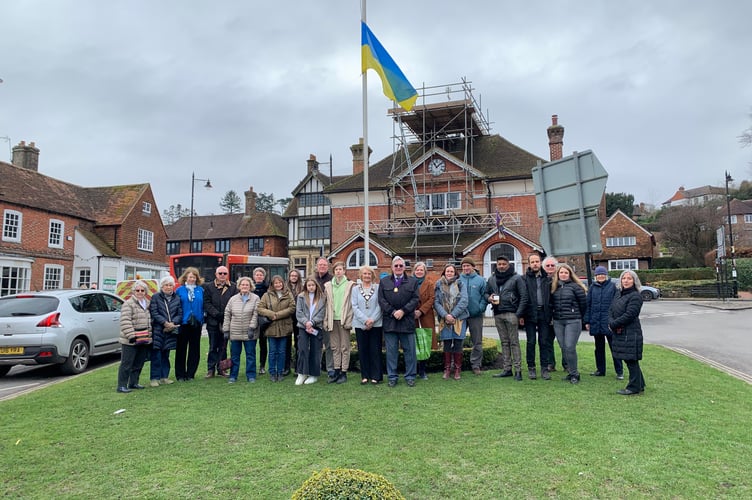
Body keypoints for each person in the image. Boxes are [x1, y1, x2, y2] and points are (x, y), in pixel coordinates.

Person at [377, 256, 420, 387]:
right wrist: (392, 311)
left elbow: (415, 299)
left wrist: (403, 311)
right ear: (392, 268)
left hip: (406, 321)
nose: (398, 268)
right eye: (396, 266)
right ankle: (392, 377)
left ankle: (410, 376)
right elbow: (381, 300)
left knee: (410, 351)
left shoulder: (412, 282)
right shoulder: (384, 282)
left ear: (404, 267)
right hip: (390, 321)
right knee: (391, 352)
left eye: (401, 266)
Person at [485, 255, 528, 381]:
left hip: (511, 313)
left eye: (504, 264)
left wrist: (518, 314)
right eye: (499, 264)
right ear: (496, 265)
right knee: (504, 342)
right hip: (498, 313)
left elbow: (524, 297)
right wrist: (489, 298)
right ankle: (507, 369)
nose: (501, 266)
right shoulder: (492, 279)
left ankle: (518, 370)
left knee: (514, 342)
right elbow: (486, 293)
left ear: (508, 265)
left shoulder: (516, 278)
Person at [609, 270, 645, 395]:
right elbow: (611, 309)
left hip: (631, 332)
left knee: (631, 359)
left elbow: (630, 315)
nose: (626, 280)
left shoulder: (635, 296)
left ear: (634, 281)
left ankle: (633, 387)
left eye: (629, 278)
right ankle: (640, 384)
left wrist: (613, 324)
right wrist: (611, 322)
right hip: (619, 331)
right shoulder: (619, 294)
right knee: (628, 359)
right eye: (624, 278)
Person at [550, 263, 588, 384]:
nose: (563, 274)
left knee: (570, 347)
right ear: (558, 274)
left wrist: (580, 318)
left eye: (566, 272)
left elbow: (583, 305)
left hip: (573, 320)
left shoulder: (576, 287)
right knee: (564, 347)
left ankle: (575, 374)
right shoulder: (554, 287)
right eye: (561, 272)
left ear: (570, 274)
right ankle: (571, 371)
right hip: (558, 321)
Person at [584, 266, 623, 380]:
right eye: (598, 274)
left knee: (614, 347)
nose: (600, 276)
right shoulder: (592, 287)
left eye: (602, 274)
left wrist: (615, 321)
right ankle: (600, 370)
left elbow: (617, 305)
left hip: (609, 323)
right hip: (596, 322)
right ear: (595, 276)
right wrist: (587, 321)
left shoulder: (613, 287)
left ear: (606, 275)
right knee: (599, 348)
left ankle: (619, 371)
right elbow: (588, 305)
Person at [520, 251, 553, 380]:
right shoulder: (523, 279)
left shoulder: (547, 279)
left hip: (544, 314)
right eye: (532, 262)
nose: (535, 264)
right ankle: (531, 368)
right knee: (531, 342)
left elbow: (552, 298)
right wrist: (521, 315)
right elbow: (521, 297)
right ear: (529, 264)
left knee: (544, 342)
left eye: (537, 262)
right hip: (529, 315)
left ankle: (545, 368)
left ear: (540, 263)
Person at [257, 275, 296, 382]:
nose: (278, 285)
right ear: (272, 285)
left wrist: (277, 315)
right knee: (272, 351)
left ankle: (280, 372)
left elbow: (292, 308)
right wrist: (271, 314)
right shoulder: (266, 295)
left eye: (280, 283)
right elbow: (260, 308)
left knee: (282, 351)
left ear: (283, 283)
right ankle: (272, 372)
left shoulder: (288, 294)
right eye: (276, 283)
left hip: (284, 326)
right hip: (271, 327)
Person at [434, 264, 469, 380]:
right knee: (447, 344)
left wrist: (453, 315)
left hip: (459, 318)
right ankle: (447, 368)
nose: (449, 273)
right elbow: (436, 302)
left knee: (458, 343)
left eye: (451, 271)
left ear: (455, 273)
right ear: (444, 273)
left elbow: (464, 300)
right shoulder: (438, 284)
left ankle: (458, 369)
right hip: (445, 319)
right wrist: (445, 315)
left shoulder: (460, 284)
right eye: (447, 271)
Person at [222, 276, 260, 383]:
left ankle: (251, 375)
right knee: (235, 356)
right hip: (235, 332)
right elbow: (227, 314)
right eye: (242, 284)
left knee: (250, 355)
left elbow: (256, 314)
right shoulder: (233, 299)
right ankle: (233, 376)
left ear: (250, 286)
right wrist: (226, 329)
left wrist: (252, 327)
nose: (244, 286)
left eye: (247, 285)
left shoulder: (256, 298)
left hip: (250, 333)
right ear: (239, 286)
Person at [116, 280, 152, 393]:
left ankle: (133, 382)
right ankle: (121, 385)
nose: (140, 292)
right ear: (133, 291)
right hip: (130, 340)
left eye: (142, 290)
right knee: (127, 363)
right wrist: (131, 335)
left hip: (144, 338)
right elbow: (125, 321)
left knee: (139, 362)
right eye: (138, 290)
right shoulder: (128, 304)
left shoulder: (147, 303)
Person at [323, 261, 354, 384]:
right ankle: (336, 371)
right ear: (334, 272)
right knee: (334, 347)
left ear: (344, 271)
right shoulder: (328, 286)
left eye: (340, 269)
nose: (338, 271)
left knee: (344, 347)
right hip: (332, 319)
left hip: (344, 319)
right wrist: (326, 320)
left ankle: (343, 372)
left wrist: (349, 319)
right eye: (336, 270)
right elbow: (325, 305)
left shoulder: (350, 285)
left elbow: (352, 305)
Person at [351, 265, 383, 384]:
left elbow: (380, 305)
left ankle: (376, 376)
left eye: (369, 274)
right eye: (364, 274)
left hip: (376, 324)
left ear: (372, 276)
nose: (367, 276)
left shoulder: (378, 288)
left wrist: (372, 320)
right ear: (361, 275)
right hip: (360, 324)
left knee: (375, 350)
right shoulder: (355, 289)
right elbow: (354, 306)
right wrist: (365, 320)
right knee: (363, 350)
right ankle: (365, 375)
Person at [203, 266, 237, 378]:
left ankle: (222, 369)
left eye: (225, 273)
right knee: (213, 346)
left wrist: (226, 315)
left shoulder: (233, 287)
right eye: (220, 273)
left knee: (223, 347)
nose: (222, 275)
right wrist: (216, 314)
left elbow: (235, 302)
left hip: (227, 321)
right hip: (213, 321)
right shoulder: (208, 287)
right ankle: (210, 369)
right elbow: (206, 303)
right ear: (216, 274)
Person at [148, 276, 182, 387]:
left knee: (165, 355)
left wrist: (172, 323)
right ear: (162, 286)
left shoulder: (177, 298)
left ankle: (164, 377)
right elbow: (154, 312)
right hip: (159, 330)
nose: (168, 287)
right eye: (166, 285)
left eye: (170, 285)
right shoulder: (156, 297)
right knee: (156, 355)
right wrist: (165, 323)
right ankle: (154, 378)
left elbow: (179, 313)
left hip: (170, 330)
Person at [459, 256, 487, 375]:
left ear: (473, 267)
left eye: (468, 266)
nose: (466, 268)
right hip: (460, 315)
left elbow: (485, 296)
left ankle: (476, 364)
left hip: (476, 315)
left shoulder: (480, 280)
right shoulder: (458, 279)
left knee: (477, 341)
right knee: (458, 340)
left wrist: (480, 308)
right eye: (464, 266)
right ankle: (457, 364)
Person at [295, 277, 327, 385]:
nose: (311, 287)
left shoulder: (322, 297)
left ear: (316, 286)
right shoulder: (301, 297)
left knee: (315, 350)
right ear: (306, 286)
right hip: (303, 326)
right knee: (302, 349)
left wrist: (312, 322)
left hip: (316, 327)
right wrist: (306, 323)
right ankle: (302, 373)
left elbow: (322, 313)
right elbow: (298, 312)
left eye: (313, 285)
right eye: (309, 285)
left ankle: (314, 375)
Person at [175, 267, 204, 381]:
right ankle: (180, 374)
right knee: (181, 348)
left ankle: (191, 374)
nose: (192, 279)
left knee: (194, 349)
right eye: (190, 276)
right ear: (185, 277)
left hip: (196, 322)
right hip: (183, 322)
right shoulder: (179, 290)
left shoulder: (200, 290)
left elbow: (203, 305)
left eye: (194, 277)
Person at [413, 261, 436, 380]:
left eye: (421, 270)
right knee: (413, 342)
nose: (419, 272)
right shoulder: (409, 282)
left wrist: (421, 311)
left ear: (425, 272)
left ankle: (422, 370)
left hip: (425, 315)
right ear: (414, 271)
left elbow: (432, 299)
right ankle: (414, 369)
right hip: (411, 316)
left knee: (425, 342)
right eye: (417, 269)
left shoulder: (430, 283)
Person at [313, 257, 335, 379]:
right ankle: (316, 368)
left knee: (329, 345)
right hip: (314, 317)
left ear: (328, 267)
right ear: (316, 266)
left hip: (327, 317)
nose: (322, 267)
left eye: (324, 265)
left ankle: (330, 369)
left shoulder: (332, 280)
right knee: (316, 346)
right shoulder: (312, 279)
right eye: (320, 265)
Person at [541, 256, 562, 372]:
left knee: (563, 342)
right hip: (546, 316)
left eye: (552, 265)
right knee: (547, 341)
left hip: (560, 314)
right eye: (547, 266)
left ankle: (567, 364)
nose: (550, 267)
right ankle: (550, 363)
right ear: (544, 267)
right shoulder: (541, 280)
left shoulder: (562, 279)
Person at [285, 269, 304, 375]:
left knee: (298, 344)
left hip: (298, 318)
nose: (293, 277)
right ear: (289, 276)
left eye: (295, 276)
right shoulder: (284, 288)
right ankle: (286, 367)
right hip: (287, 318)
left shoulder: (301, 288)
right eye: (292, 275)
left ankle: (298, 367)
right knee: (286, 343)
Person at [251, 267, 270, 375]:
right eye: (257, 275)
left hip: (264, 320)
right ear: (254, 276)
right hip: (252, 319)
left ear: (264, 276)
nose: (259, 276)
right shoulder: (250, 288)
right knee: (251, 344)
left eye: (261, 275)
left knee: (263, 344)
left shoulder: (267, 288)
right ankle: (252, 365)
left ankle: (262, 365)